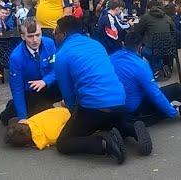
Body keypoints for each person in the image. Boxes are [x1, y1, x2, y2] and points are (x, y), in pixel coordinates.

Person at [54, 16, 127, 164]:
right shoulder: (96, 44)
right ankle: (132, 130)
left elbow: (68, 94)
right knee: (107, 121)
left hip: (95, 106)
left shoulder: (62, 55)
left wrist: (73, 115)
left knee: (63, 143)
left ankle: (104, 144)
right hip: (120, 101)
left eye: (56, 32)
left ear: (64, 34)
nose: (54, 36)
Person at [0, 17, 61, 126]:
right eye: (30, 36)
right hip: (31, 91)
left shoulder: (50, 43)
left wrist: (45, 81)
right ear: (23, 36)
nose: (35, 40)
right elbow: (17, 88)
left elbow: (57, 69)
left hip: (48, 84)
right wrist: (22, 118)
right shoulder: (16, 57)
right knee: (9, 118)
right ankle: (11, 108)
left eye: (38, 35)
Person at [133, 0, 174, 80]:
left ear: (148, 9)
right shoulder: (167, 17)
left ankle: (154, 71)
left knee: (142, 48)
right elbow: (173, 30)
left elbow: (137, 30)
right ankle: (159, 68)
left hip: (152, 50)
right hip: (168, 49)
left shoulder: (146, 16)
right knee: (155, 49)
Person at [4, 107, 71, 149]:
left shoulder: (51, 137)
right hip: (62, 111)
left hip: (65, 114)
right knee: (9, 119)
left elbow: (66, 129)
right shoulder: (31, 121)